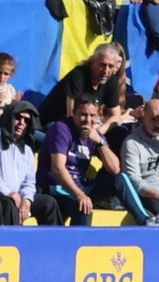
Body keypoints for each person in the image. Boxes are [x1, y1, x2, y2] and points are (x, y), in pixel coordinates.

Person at [37, 93, 144, 226]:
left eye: (92, 115)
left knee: (120, 179)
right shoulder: (62, 129)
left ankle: (145, 220)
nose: (88, 120)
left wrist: (100, 142)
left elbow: (115, 169)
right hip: (55, 186)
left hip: (81, 186)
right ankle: (78, 245)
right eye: (83, 114)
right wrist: (79, 194)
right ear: (73, 114)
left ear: (98, 116)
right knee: (83, 205)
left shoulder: (95, 134)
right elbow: (57, 168)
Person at [0, 101, 56, 227]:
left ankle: (53, 245)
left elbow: (29, 182)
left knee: (48, 203)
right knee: (10, 204)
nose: (22, 123)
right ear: (9, 116)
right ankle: (12, 245)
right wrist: (8, 192)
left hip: (17, 196)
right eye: (18, 118)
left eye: (26, 120)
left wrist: (27, 200)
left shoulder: (27, 150)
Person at [39, 43, 127, 128]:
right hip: (55, 124)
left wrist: (100, 131)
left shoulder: (111, 81)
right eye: (102, 65)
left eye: (110, 66)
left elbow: (116, 117)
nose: (106, 71)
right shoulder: (78, 75)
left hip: (87, 125)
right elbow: (71, 116)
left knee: (120, 132)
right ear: (93, 61)